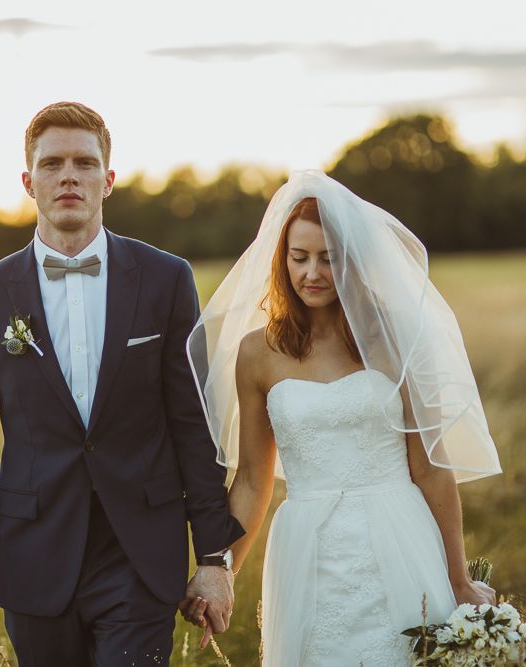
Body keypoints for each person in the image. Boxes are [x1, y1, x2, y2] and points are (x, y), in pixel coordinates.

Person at [0, 101, 244, 666]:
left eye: (84, 162)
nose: (68, 175)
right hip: (35, 557)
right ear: (28, 181)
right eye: (51, 164)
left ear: (108, 179)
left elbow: (194, 424)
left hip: (140, 555)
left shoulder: (167, 279)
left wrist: (214, 559)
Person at [186, 170, 502, 665]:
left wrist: (458, 580)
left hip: (398, 539)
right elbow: (251, 480)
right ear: (281, 260)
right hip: (306, 554)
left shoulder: (396, 340)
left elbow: (431, 468)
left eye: (328, 259)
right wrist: (222, 571)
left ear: (353, 260)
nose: (312, 272)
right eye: (299, 257)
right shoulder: (257, 353)